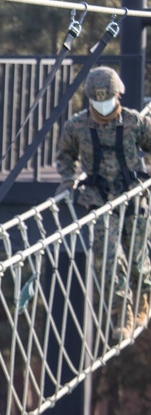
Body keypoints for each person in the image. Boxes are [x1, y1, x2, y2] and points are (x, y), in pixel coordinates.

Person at [56, 66, 151, 335]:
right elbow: (65, 155)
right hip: (98, 199)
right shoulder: (77, 126)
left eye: (108, 98)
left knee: (136, 257)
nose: (104, 104)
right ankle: (122, 313)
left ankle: (144, 297)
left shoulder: (134, 122)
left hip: (133, 197)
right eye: (98, 99)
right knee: (107, 256)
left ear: (118, 96)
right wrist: (66, 179)